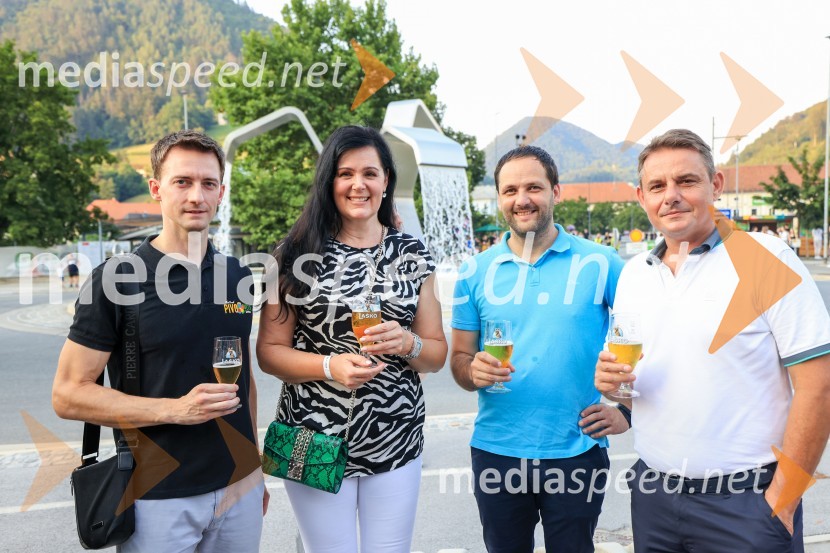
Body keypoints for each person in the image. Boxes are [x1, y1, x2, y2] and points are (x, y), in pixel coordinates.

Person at [594, 129, 830, 552]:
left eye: (686, 181)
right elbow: (641, 389)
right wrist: (616, 388)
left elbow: (819, 385)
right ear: (641, 197)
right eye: (657, 186)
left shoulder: (767, 258)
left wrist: (783, 500)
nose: (671, 196)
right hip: (653, 495)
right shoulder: (633, 275)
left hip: (745, 503)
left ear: (715, 184)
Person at [52, 130, 267, 552]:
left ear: (221, 192)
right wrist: (176, 410)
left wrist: (253, 464)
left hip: (237, 488)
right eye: (182, 182)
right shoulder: (115, 279)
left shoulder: (238, 276)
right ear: (156, 189)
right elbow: (67, 395)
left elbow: (244, 380)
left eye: (208, 184)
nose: (196, 196)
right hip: (155, 496)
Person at [256, 125, 447, 553]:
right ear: (329, 182)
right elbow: (269, 353)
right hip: (310, 434)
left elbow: (435, 354)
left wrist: (406, 343)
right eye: (345, 174)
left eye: (369, 173)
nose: (358, 184)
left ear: (385, 182)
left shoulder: (413, 254)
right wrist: (329, 366)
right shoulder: (292, 255)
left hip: (395, 433)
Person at [450, 145, 628, 553]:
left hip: (577, 449)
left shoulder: (603, 262)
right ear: (499, 198)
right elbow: (459, 361)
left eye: (534, 187)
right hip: (497, 450)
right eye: (510, 190)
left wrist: (627, 413)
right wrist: (471, 371)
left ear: (556, 192)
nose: (522, 199)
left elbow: (653, 337)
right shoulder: (473, 272)